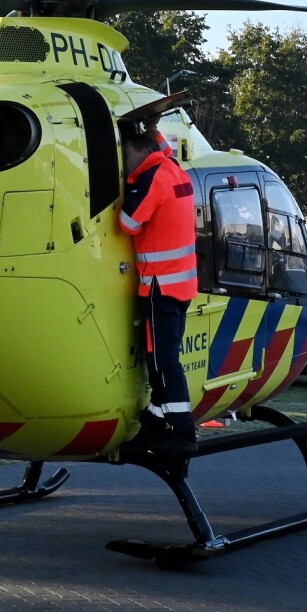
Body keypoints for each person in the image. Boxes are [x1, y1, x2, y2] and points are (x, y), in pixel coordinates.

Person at [118, 108, 199, 458]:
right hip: (181, 286)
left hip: (158, 287)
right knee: (164, 360)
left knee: (163, 363)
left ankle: (182, 432)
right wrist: (151, 127)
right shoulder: (171, 167)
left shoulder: (151, 179)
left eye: (124, 161)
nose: (124, 168)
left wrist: (127, 188)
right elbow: (160, 146)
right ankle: (154, 423)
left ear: (136, 154)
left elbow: (128, 223)